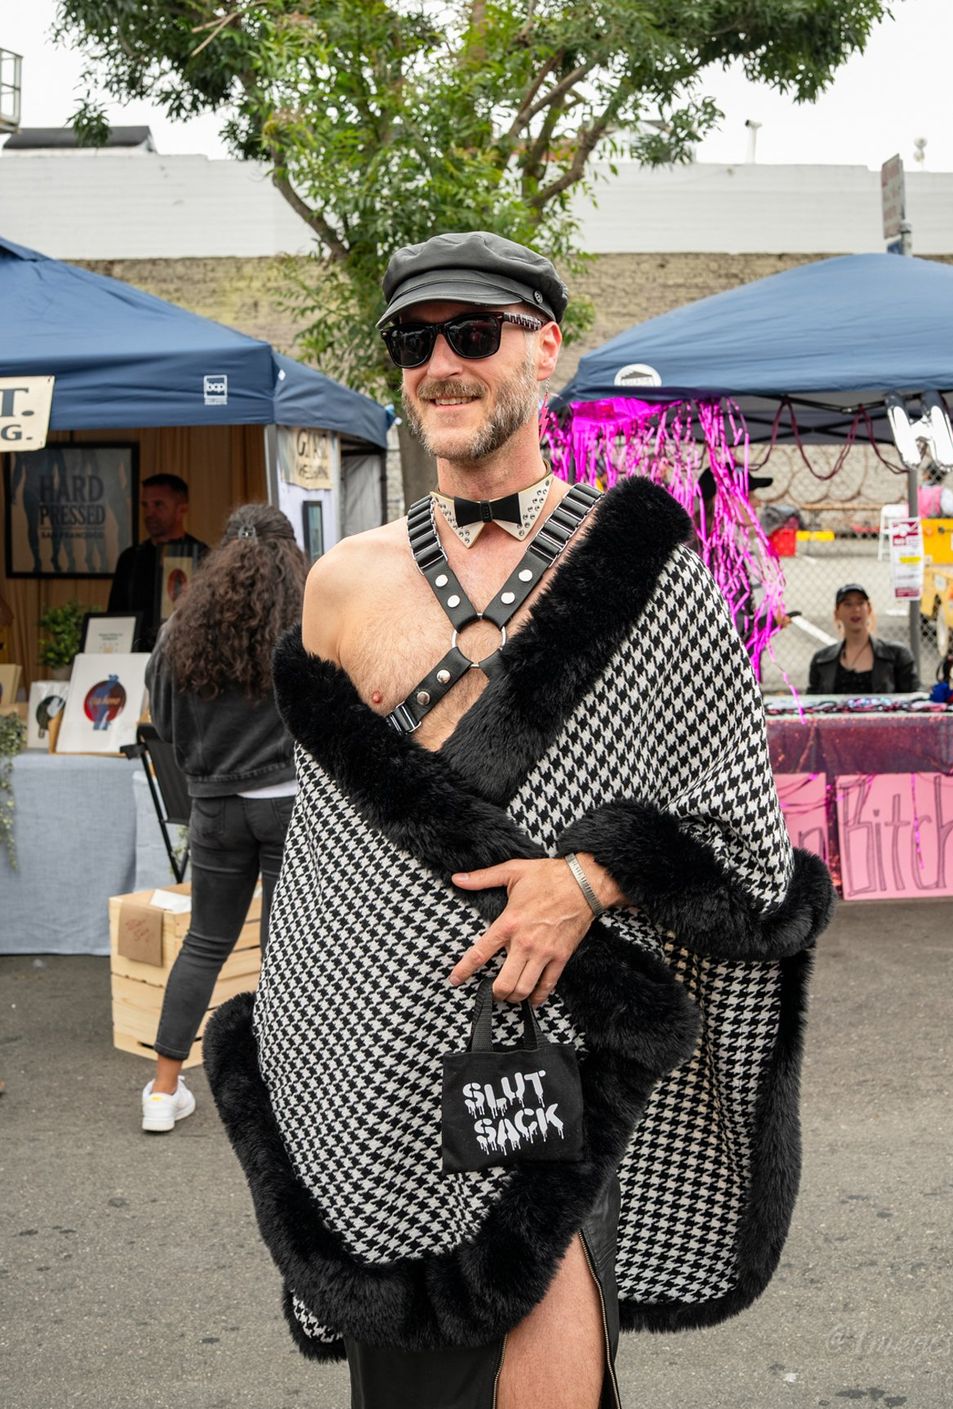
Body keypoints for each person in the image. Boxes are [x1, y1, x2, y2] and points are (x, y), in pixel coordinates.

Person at [204, 232, 834, 1409]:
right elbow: (336, 871)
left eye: (473, 332)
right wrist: (303, 1060)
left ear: (545, 346)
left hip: (542, 1082)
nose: (442, 361)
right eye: (414, 339)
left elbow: (748, 841)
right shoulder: (340, 583)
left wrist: (587, 881)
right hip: (377, 1092)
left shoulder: (648, 568)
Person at [141, 504, 307, 1133]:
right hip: (289, 803)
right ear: (290, 557)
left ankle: (162, 1091)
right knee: (286, 950)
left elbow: (160, 714)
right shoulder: (306, 623)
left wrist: (204, 772)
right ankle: (285, 1096)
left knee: (205, 942)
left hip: (212, 806)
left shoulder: (181, 628)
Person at [108, 473, 209, 649]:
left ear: (181, 509)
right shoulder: (130, 559)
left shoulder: (202, 555)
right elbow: (115, 618)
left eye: (158, 505)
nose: (149, 513)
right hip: (136, 662)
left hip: (186, 658)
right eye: (145, 505)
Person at [808, 583, 919, 693]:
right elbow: (810, 704)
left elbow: (916, 697)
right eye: (848, 604)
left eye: (860, 603)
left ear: (869, 609)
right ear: (837, 613)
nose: (855, 609)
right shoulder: (821, 661)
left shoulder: (897, 655)